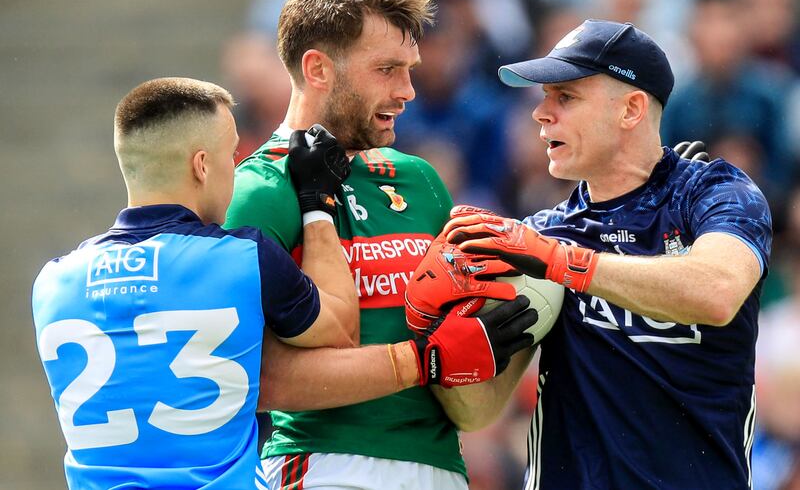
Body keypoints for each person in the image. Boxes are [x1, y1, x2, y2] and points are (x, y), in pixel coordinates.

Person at [32, 77, 534, 489]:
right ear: (202, 166)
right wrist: (317, 203)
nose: (238, 169)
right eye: (232, 156)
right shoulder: (239, 256)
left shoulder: (53, 282)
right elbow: (338, 327)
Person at [412, 20, 773, 489]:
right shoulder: (542, 236)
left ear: (631, 109)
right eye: (544, 96)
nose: (541, 113)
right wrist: (442, 349)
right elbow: (478, 413)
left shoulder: (713, 192)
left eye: (565, 96)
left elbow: (718, 291)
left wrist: (564, 262)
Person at [224, 0, 533, 490]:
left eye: (409, 69)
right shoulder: (258, 191)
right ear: (319, 68)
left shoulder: (420, 181)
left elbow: (466, 391)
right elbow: (254, 379)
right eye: (387, 69)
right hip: (325, 466)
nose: (408, 91)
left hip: (443, 469)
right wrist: (423, 360)